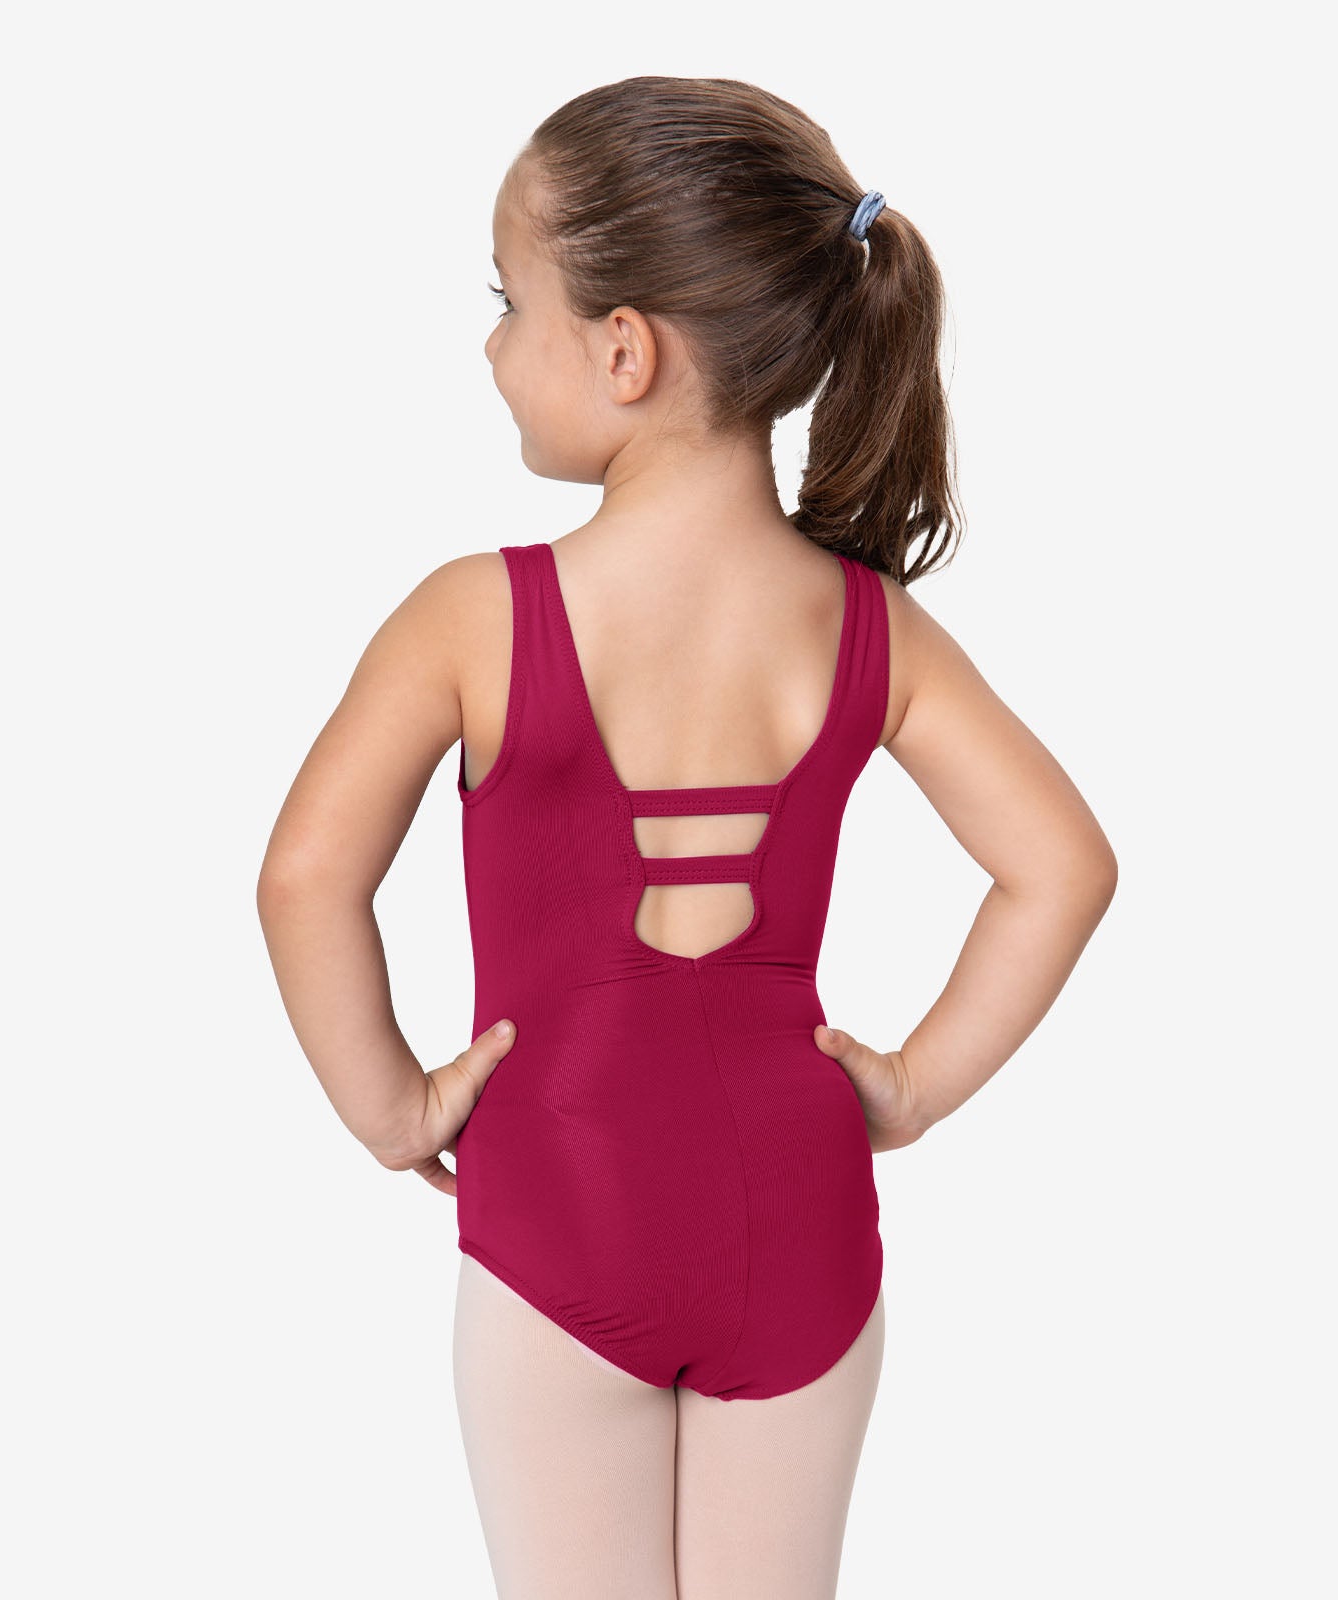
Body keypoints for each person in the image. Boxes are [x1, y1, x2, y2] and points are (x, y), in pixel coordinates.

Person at [258, 74, 1118, 1600]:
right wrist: (914, 1086)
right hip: (801, 1221)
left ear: (623, 349)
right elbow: (1061, 866)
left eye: (508, 302)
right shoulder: (864, 627)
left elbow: (307, 875)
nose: (491, 346)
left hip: (560, 1209)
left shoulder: (475, 616)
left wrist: (391, 1108)